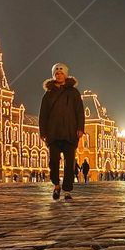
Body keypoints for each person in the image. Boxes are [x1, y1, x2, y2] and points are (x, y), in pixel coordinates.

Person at [39, 63, 85, 201]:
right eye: (56, 73)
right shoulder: (48, 94)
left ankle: (67, 190)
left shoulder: (74, 93)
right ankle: (56, 185)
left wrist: (80, 128)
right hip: (53, 133)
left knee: (69, 163)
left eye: (61, 73)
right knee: (53, 161)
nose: (59, 75)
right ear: (54, 76)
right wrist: (43, 131)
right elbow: (43, 115)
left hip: (70, 133)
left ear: (65, 75)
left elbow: (79, 112)